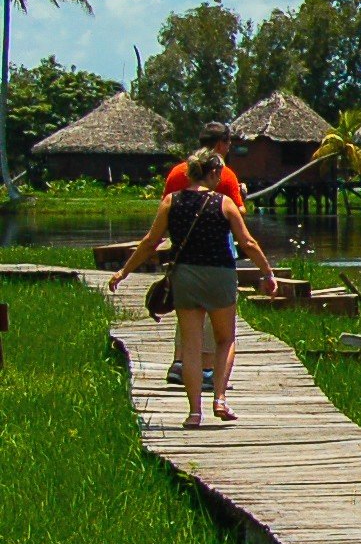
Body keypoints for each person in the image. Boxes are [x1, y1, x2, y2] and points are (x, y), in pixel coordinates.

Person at [109, 147, 278, 427]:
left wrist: (124, 271)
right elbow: (248, 243)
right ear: (212, 173)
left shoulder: (171, 202)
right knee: (225, 339)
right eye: (219, 174)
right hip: (220, 275)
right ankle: (220, 399)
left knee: (191, 344)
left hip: (185, 276)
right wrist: (268, 273)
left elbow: (150, 242)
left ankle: (194, 412)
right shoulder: (224, 203)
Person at [160, 121, 244, 388]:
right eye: (228, 143)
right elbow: (237, 214)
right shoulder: (226, 175)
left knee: (187, 312)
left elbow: (167, 207)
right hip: (215, 256)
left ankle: (180, 361)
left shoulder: (176, 172)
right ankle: (208, 369)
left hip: (183, 254)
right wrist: (241, 196)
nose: (229, 148)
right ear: (220, 144)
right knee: (211, 315)